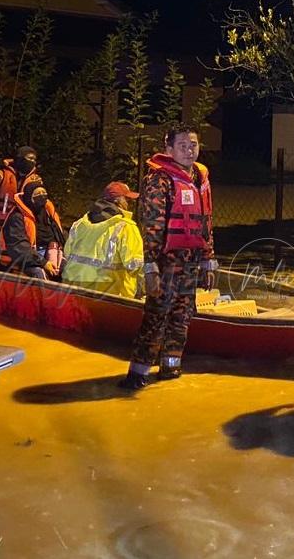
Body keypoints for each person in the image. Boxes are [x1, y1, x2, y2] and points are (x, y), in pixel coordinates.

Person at [118, 124, 217, 390]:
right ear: (169, 148)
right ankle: (137, 373)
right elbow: (151, 225)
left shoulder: (199, 178)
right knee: (156, 315)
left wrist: (209, 259)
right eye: (183, 145)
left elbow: (206, 222)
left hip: (192, 260)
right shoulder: (158, 180)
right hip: (165, 261)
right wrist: (150, 267)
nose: (189, 150)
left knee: (183, 314)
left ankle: (170, 367)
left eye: (193, 144)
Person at [62, 181, 144, 298]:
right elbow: (136, 266)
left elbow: (67, 255)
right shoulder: (126, 227)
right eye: (127, 199)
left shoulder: (79, 224)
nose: (129, 204)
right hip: (110, 298)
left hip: (74, 293)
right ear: (119, 201)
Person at [0, 145, 42, 268]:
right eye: (29, 159)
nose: (32, 162)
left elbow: (39, 208)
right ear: (19, 159)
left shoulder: (36, 181)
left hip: (21, 230)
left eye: (34, 160)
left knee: (17, 263)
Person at [0, 181, 65, 280]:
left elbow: (60, 236)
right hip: (21, 259)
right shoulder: (16, 217)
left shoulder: (47, 213)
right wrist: (43, 262)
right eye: (37, 194)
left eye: (44, 193)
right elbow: (19, 247)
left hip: (46, 254)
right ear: (29, 198)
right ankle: (44, 295)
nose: (42, 196)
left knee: (68, 267)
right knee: (38, 273)